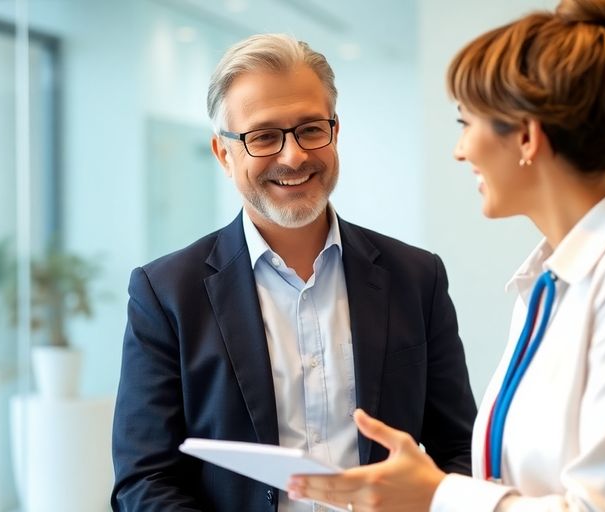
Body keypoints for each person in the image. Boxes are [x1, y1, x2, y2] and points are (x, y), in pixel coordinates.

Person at [288, 1, 605, 510]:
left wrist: (436, 493)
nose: (459, 150)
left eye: (466, 123)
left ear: (525, 135)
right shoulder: (551, 281)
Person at [110, 34, 478, 512]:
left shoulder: (417, 277)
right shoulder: (165, 293)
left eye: (310, 129)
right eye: (264, 136)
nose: (294, 156)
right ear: (224, 155)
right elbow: (145, 480)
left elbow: (461, 450)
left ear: (335, 132)